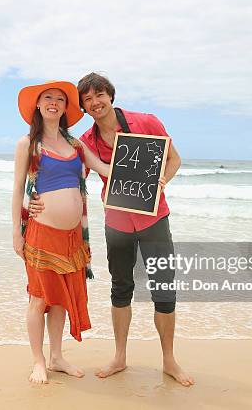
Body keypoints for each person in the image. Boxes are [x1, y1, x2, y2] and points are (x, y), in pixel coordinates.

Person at [29, 73, 194, 387]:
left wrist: (162, 180)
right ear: (84, 106)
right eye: (87, 99)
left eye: (99, 95)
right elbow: (66, 173)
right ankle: (120, 356)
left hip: (154, 217)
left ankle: (169, 360)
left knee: (164, 290)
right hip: (117, 222)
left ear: (110, 95)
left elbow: (173, 159)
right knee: (121, 288)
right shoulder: (87, 140)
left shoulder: (146, 122)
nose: (94, 103)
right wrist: (36, 200)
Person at [12, 80, 110, 384]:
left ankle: (56, 357)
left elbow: (106, 168)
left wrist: (150, 166)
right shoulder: (28, 143)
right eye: (47, 98)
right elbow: (17, 190)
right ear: (38, 106)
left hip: (71, 239)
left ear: (66, 107)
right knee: (39, 300)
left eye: (60, 99)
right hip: (41, 234)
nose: (54, 102)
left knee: (60, 300)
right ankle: (38, 361)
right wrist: (16, 231)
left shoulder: (76, 145)